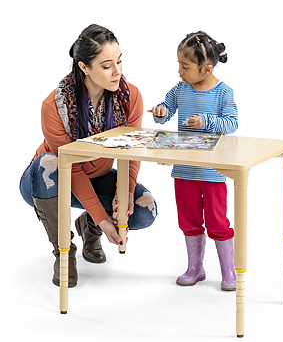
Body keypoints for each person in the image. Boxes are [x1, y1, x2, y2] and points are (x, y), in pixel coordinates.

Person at [20, 24, 157, 288]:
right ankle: (63, 250)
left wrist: (126, 191)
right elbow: (71, 168)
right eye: (107, 66)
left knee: (144, 211)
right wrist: (104, 219)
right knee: (48, 165)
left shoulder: (131, 97)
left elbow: (130, 149)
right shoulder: (54, 106)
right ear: (84, 67)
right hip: (48, 181)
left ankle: (88, 225)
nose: (118, 71)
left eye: (119, 61)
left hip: (97, 178)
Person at [149, 31, 238, 290]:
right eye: (178, 64)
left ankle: (228, 272)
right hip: (185, 170)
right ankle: (195, 268)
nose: (180, 71)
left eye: (185, 66)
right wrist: (161, 111)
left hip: (212, 171)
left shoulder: (223, 93)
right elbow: (165, 109)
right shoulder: (181, 89)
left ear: (207, 69)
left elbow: (231, 123)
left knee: (217, 222)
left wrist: (207, 121)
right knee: (188, 220)